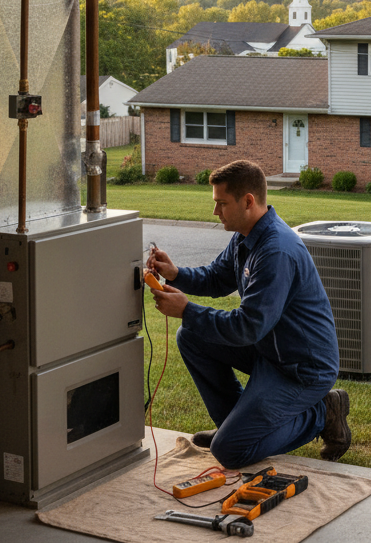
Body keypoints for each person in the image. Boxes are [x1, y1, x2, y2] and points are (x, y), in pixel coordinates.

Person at [146, 159, 349, 469]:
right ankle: (234, 425)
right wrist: (175, 274)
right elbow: (217, 277)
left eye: (221, 204)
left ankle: (322, 413)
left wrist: (186, 309)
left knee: (230, 453)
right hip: (270, 349)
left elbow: (247, 328)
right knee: (191, 336)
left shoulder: (276, 251)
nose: (215, 212)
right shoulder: (246, 235)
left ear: (249, 201)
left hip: (302, 368)